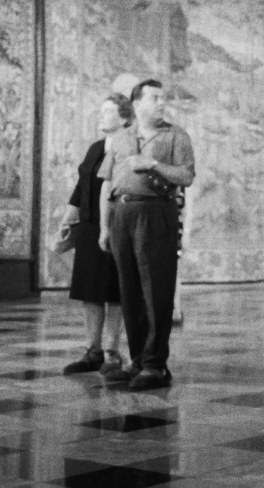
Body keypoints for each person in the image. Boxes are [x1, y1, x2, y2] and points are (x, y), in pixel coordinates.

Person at [98, 79, 195, 390]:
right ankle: (138, 360)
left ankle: (155, 365)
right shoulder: (122, 138)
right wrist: (104, 226)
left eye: (163, 98)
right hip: (122, 215)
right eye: (155, 98)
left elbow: (186, 175)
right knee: (130, 293)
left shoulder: (176, 135)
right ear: (137, 103)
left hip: (156, 214)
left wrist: (153, 163)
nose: (161, 103)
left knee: (156, 292)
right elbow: (106, 183)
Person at [62, 93, 131, 376]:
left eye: (108, 111)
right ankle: (92, 351)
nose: (101, 115)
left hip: (117, 225)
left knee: (114, 291)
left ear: (124, 117)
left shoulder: (129, 147)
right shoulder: (95, 148)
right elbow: (81, 187)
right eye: (100, 110)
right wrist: (66, 221)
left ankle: (113, 353)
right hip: (89, 227)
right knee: (90, 291)